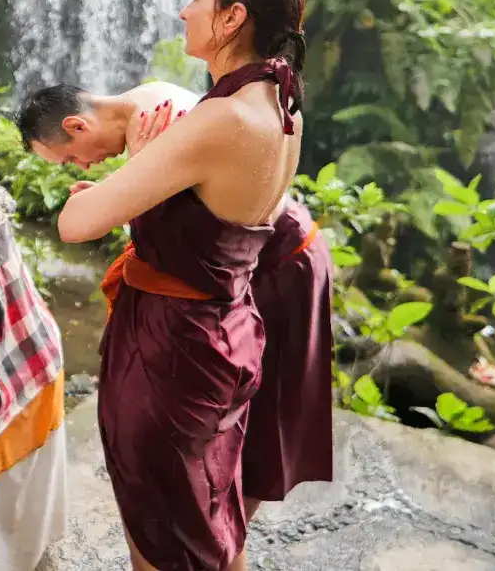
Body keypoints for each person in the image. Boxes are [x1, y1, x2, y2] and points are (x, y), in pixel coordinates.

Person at [50, 0, 308, 571]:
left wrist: (140, 163)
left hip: (171, 352)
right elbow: (212, 228)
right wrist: (149, 174)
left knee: (160, 533)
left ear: (230, 19)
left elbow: (75, 223)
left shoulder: (219, 120)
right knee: (210, 516)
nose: (184, 10)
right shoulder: (281, 108)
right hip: (227, 336)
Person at [17, 82, 334, 524]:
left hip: (279, 259)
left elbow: (83, 225)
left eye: (72, 156)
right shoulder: (145, 105)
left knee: (259, 416)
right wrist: (126, 181)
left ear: (76, 124)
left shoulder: (158, 123)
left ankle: (224, 536)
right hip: (256, 253)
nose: (81, 166)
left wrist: (127, 183)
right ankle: (218, 531)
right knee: (234, 418)